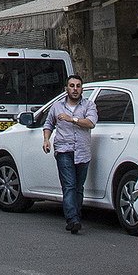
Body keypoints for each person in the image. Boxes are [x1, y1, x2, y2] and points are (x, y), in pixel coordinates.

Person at [40, 75, 98, 233]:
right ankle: (72, 218)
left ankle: (76, 217)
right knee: (69, 185)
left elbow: (91, 123)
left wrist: (72, 119)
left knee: (79, 187)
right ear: (66, 89)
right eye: (72, 86)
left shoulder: (89, 105)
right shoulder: (57, 106)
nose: (75, 89)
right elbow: (48, 123)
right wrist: (46, 139)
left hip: (82, 151)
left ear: (82, 89)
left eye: (78, 86)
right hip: (64, 150)